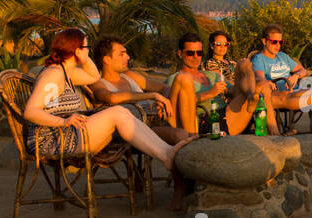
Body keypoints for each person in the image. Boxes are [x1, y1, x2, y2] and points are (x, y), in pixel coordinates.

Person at [22, 27, 190, 178]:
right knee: (117, 112)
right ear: (77, 50)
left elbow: (94, 76)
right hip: (53, 140)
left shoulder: (68, 73)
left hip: (68, 134)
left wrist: (84, 57)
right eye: (85, 48)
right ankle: (166, 155)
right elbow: (31, 111)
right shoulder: (54, 74)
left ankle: (166, 152)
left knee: (122, 112)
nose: (88, 51)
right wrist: (63, 121)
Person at [89, 36, 186, 146]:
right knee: (181, 136)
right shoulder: (98, 83)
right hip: (134, 129)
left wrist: (161, 102)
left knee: (183, 82)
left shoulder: (129, 76)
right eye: (122, 54)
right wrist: (153, 96)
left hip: (155, 120)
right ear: (107, 59)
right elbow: (112, 98)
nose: (128, 57)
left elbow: (166, 88)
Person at [250, 24, 312, 134]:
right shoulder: (258, 59)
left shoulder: (283, 56)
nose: (278, 45)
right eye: (274, 42)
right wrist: (270, 83)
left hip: (295, 90)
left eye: (281, 42)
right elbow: (260, 78)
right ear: (264, 41)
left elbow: (302, 70)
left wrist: (296, 75)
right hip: (279, 93)